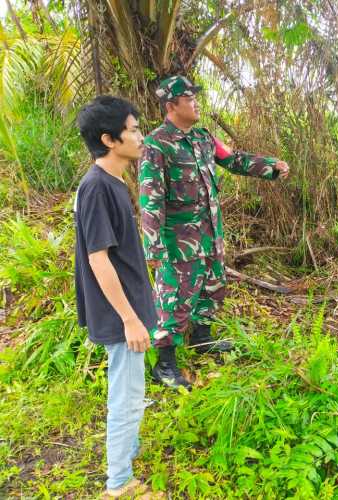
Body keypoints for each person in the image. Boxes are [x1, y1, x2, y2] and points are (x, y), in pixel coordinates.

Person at [139, 75, 289, 390]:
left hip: (210, 234)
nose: (196, 103)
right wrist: (153, 248)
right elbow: (150, 199)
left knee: (211, 289)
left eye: (195, 97)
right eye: (189, 99)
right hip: (178, 242)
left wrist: (270, 166)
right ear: (172, 105)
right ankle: (164, 366)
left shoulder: (203, 138)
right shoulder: (156, 145)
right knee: (174, 298)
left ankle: (201, 340)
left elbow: (233, 159)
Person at [75, 96, 155, 498]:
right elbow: (98, 260)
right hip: (119, 315)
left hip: (128, 309)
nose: (140, 136)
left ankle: (127, 460)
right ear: (109, 139)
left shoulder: (114, 183)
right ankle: (120, 484)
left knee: (131, 391)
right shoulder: (96, 189)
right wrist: (129, 318)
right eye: (133, 129)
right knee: (126, 397)